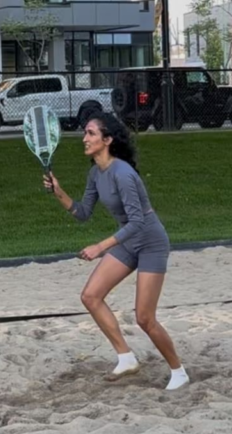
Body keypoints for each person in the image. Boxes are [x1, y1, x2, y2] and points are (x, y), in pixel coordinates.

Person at [45, 112, 189, 391]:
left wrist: (100, 247)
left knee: (144, 318)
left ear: (107, 140)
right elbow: (83, 213)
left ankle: (178, 371)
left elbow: (138, 222)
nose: (84, 139)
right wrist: (59, 192)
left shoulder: (122, 173)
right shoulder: (95, 173)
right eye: (85, 133)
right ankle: (126, 357)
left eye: (90, 133)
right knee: (90, 296)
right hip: (128, 239)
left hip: (150, 240)